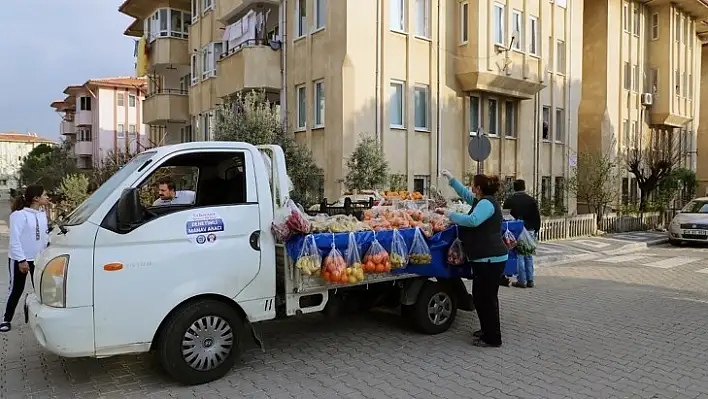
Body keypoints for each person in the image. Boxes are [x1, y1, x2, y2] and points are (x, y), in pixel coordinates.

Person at [439, 170, 508, 348]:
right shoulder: (481, 200)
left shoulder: (486, 204)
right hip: (483, 258)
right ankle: (486, 330)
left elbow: (473, 220)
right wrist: (451, 179)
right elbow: (465, 194)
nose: (471, 187)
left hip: (490, 259)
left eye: (473, 184)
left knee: (487, 298)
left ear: (478, 188)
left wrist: (451, 215)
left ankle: (493, 337)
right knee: (480, 297)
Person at [1, 185, 50, 332]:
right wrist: (21, 260)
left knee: (40, 288)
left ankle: (42, 319)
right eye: (45, 195)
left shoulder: (42, 213)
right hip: (19, 259)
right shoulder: (19, 215)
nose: (47, 197)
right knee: (16, 289)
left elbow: (44, 236)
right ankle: (6, 319)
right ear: (36, 198)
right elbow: (14, 240)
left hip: (38, 258)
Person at [503, 179, 541, 288]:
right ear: (524, 187)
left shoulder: (509, 200)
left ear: (514, 188)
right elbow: (537, 217)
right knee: (528, 254)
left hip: (516, 229)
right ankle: (530, 279)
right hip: (530, 229)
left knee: (519, 255)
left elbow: (505, 216)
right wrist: (536, 228)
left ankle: (521, 280)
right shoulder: (531, 200)